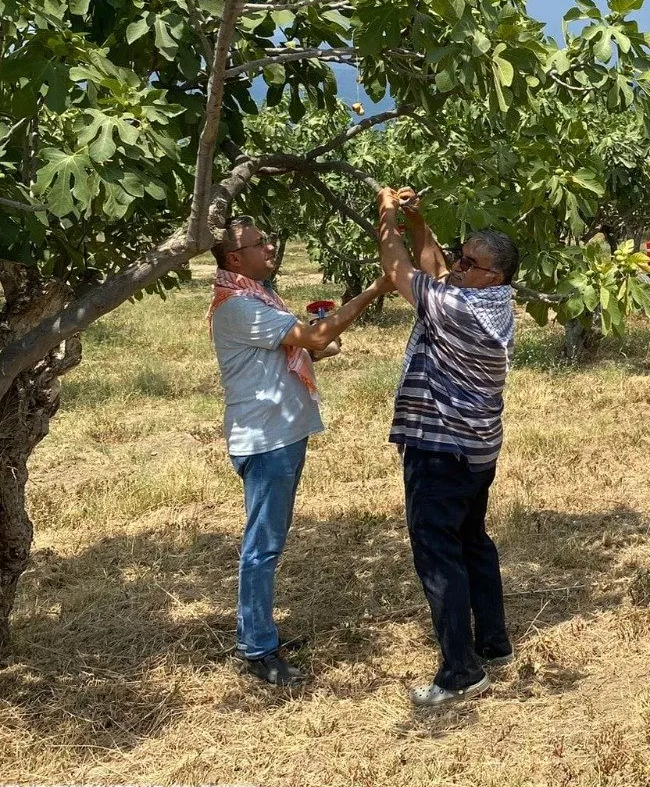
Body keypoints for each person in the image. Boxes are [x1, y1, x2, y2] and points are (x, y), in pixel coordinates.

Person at [209, 215, 394, 687]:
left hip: (280, 435)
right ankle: (256, 648)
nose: (270, 248)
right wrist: (375, 290)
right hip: (267, 441)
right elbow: (310, 337)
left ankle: (260, 633)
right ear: (234, 258)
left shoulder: (255, 296)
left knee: (266, 543)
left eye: (268, 238)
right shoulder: (238, 307)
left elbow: (295, 346)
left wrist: (313, 346)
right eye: (259, 243)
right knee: (262, 547)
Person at [375, 186, 518, 707]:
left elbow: (400, 272)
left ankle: (461, 669)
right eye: (460, 255)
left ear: (492, 276)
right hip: (475, 450)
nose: (457, 266)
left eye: (470, 262)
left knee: (439, 555)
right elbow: (438, 270)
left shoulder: (460, 310)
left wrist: (387, 215)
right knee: (473, 541)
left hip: (440, 449)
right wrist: (417, 220)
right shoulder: (491, 301)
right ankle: (494, 643)